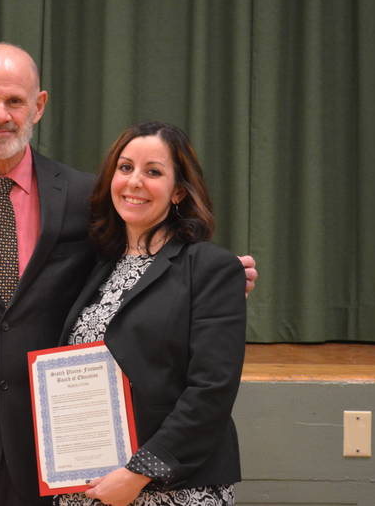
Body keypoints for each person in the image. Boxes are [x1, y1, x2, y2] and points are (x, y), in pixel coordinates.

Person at [0, 43, 257, 506]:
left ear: (40, 106)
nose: (1, 115)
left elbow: (142, 266)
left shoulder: (83, 195)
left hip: (54, 450)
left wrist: (216, 281)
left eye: (15, 101)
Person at [56, 122, 246, 506]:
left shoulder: (210, 268)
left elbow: (211, 392)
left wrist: (138, 473)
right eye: (125, 168)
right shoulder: (94, 266)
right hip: (89, 487)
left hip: (172, 489)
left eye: (153, 171)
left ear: (178, 190)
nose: (134, 182)